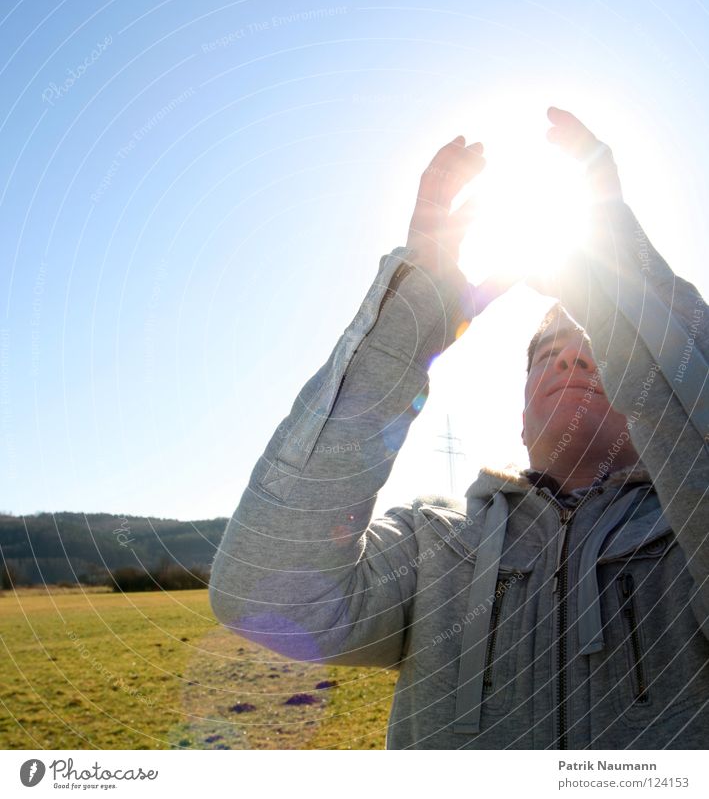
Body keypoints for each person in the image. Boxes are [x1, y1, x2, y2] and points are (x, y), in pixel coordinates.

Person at [208, 108, 709, 749]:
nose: (570, 357)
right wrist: (412, 321)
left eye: (599, 347)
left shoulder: (682, 539)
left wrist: (636, 292)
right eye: (546, 354)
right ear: (521, 414)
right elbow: (266, 593)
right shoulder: (434, 545)